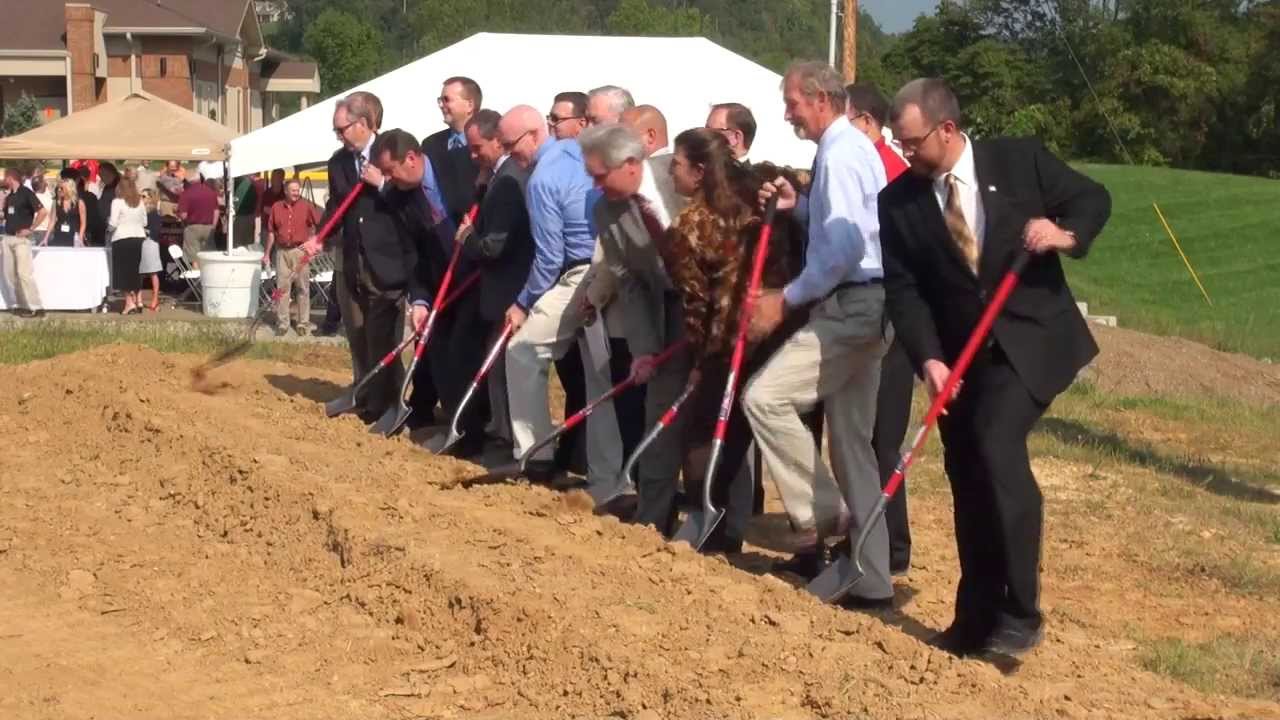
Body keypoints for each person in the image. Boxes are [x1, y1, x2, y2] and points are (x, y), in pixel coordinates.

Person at [881, 78, 1111, 657]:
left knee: (995, 441)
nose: (905, 153)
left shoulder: (1018, 161)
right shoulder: (898, 202)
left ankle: (1021, 612)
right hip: (958, 357)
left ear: (947, 129)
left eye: (912, 143)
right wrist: (928, 358)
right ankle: (975, 616)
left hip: (1029, 340)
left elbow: (1092, 198)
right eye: (899, 143)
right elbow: (904, 291)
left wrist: (1064, 234)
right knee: (966, 471)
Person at [745, 62, 892, 597]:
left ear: (821, 100)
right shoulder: (849, 148)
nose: (788, 115)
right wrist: (801, 207)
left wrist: (784, 299)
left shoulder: (840, 152)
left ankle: (826, 512)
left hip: (853, 306)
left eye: (792, 104)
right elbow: (854, 229)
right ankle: (872, 580)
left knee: (764, 398)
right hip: (869, 303)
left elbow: (846, 247)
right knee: (852, 446)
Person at [661, 128, 805, 552]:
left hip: (732, 338)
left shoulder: (689, 227)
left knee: (704, 433)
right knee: (746, 431)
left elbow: (695, 305)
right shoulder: (758, 198)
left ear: (699, 172)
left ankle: (708, 518)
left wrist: (698, 363)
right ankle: (736, 527)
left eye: (676, 164)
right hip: (779, 328)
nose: (670, 172)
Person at [497, 105, 624, 498]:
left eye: (511, 145)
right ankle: (607, 481)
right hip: (611, 267)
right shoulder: (577, 150)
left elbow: (550, 258)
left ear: (535, 135)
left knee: (522, 350)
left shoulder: (542, 179)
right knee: (599, 377)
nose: (508, 154)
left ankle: (535, 454)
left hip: (581, 274)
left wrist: (523, 303)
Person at [580, 122, 690, 522]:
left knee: (715, 413)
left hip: (720, 306)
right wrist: (643, 349)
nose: (595, 186)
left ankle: (721, 526)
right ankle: (653, 518)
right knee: (659, 412)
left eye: (599, 175)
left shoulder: (680, 176)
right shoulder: (606, 211)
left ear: (630, 164)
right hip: (670, 310)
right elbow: (628, 282)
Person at [301, 91, 418, 422]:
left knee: (384, 337)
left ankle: (391, 402)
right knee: (357, 332)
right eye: (336, 130)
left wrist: (381, 183)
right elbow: (336, 205)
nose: (338, 136)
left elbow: (412, 201)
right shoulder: (338, 162)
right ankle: (364, 392)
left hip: (387, 261)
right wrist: (320, 237)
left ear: (364, 124)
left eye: (342, 129)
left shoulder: (392, 151)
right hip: (352, 259)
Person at [846, 81, 914, 576]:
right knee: (864, 434)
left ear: (867, 123)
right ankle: (870, 536)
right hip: (870, 312)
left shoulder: (888, 173)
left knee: (880, 437)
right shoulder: (865, 164)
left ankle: (891, 547)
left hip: (892, 314)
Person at [460, 109, 535, 448]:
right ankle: (502, 429)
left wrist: (467, 238)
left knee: (506, 366)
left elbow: (494, 246)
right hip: (502, 290)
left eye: (478, 148)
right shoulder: (499, 177)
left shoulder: (508, 181)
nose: (473, 156)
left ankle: (508, 436)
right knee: (499, 364)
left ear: (497, 141)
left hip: (509, 290)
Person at [265, 178, 321, 336]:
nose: (296, 193)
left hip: (300, 251)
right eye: (293, 190)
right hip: (282, 252)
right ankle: (283, 323)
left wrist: (313, 245)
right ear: (285, 191)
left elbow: (320, 224)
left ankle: (303, 323)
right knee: (282, 289)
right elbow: (271, 232)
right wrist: (267, 254)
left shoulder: (306, 206)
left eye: (298, 190)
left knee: (302, 288)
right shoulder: (276, 207)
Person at [2, 168, 47, 318]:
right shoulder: (10, 196)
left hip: (21, 239)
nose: (3, 180)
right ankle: (21, 305)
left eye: (5, 178)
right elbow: (6, 216)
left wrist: (31, 229)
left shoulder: (26, 193)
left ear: (11, 178)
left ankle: (36, 306)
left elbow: (42, 212)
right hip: (8, 238)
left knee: (24, 273)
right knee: (10, 274)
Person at [107, 178, 149, 314]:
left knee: (122, 272)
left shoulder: (117, 202)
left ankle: (129, 302)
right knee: (135, 270)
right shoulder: (140, 202)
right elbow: (145, 222)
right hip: (139, 237)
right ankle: (138, 299)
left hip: (122, 238)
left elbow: (113, 223)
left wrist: (108, 230)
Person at [178, 172, 219, 268]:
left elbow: (184, 215)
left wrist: (178, 213)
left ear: (189, 181)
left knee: (194, 257)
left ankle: (197, 275)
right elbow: (216, 211)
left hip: (192, 228)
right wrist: (214, 226)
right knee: (209, 255)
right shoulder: (211, 192)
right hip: (209, 227)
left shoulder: (186, 193)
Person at [44, 179, 86, 248]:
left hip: (74, 236)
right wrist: (46, 237)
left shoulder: (79, 203)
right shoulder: (56, 202)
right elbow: (52, 221)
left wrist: (80, 238)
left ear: (69, 189)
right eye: (58, 188)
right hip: (59, 236)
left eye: (61, 188)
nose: (59, 190)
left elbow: (83, 223)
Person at [258, 169, 287, 249]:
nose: (274, 179)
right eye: (273, 177)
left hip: (281, 231)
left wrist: (272, 211)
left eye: (277, 177)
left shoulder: (286, 194)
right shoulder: (266, 193)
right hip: (266, 230)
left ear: (282, 178)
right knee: (264, 252)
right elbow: (262, 209)